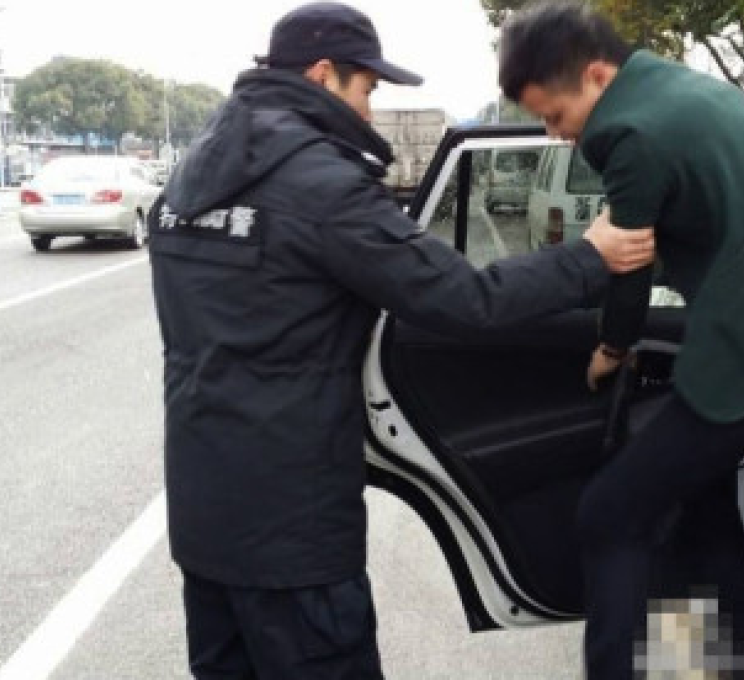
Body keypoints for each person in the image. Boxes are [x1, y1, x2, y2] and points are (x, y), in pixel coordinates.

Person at [147, 3, 643, 678]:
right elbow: (468, 300)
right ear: (324, 76)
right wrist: (591, 258)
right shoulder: (320, 187)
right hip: (295, 528)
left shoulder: (189, 177)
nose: (370, 112)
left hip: (203, 513)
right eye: (367, 90)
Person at [499, 3, 744, 678]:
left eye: (554, 115)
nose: (556, 135)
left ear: (594, 75)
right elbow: (705, 224)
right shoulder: (692, 89)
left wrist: (612, 349)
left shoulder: (627, 131)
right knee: (699, 490)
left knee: (609, 513)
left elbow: (629, 261)